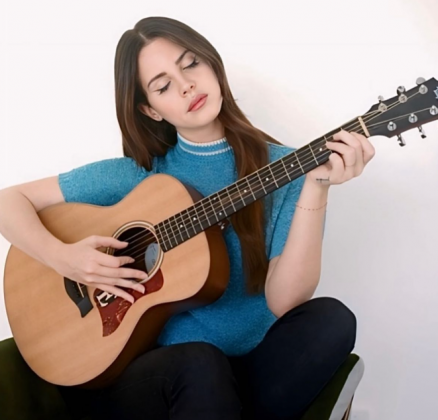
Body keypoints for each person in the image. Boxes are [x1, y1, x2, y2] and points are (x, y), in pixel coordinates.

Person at [0, 16, 375, 420]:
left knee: (332, 319)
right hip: (153, 376)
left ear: (213, 65)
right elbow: (8, 201)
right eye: (163, 86)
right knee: (199, 363)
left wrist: (316, 185)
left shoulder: (287, 170)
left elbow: (285, 301)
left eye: (191, 64)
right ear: (151, 109)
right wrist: (66, 259)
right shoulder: (139, 175)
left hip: (252, 371)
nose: (185, 85)